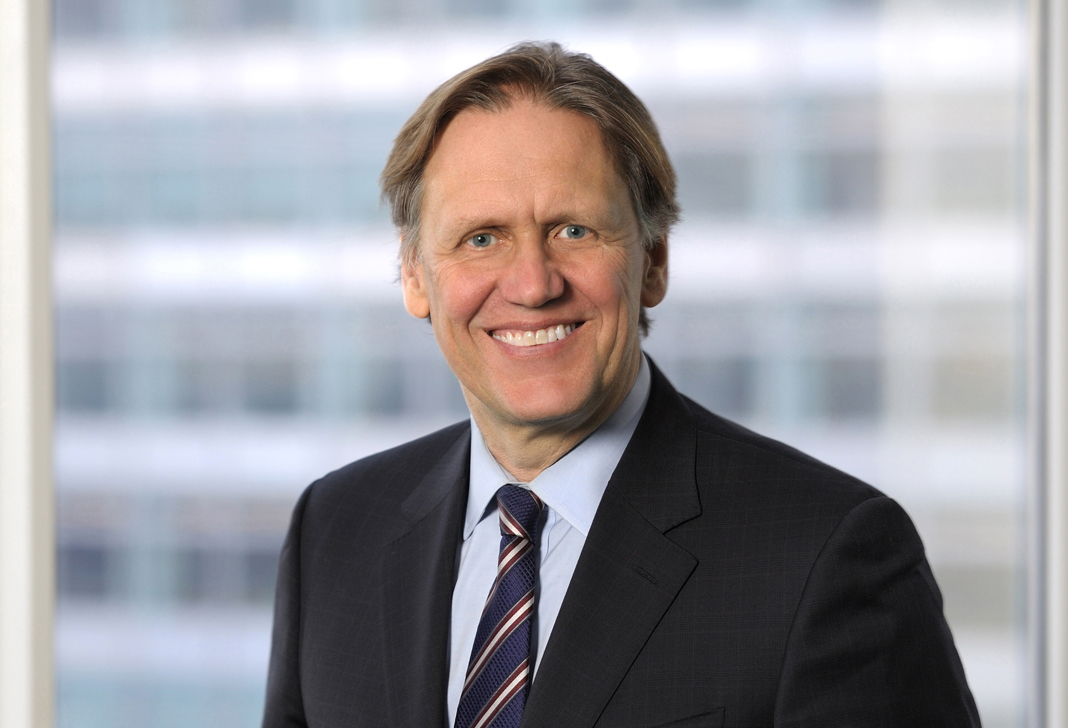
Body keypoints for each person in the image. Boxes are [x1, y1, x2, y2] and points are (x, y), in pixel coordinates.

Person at [262, 42, 980, 728]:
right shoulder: (335, 530)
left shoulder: (826, 554)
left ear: (654, 260)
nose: (533, 284)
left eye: (573, 230)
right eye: (482, 238)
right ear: (415, 275)